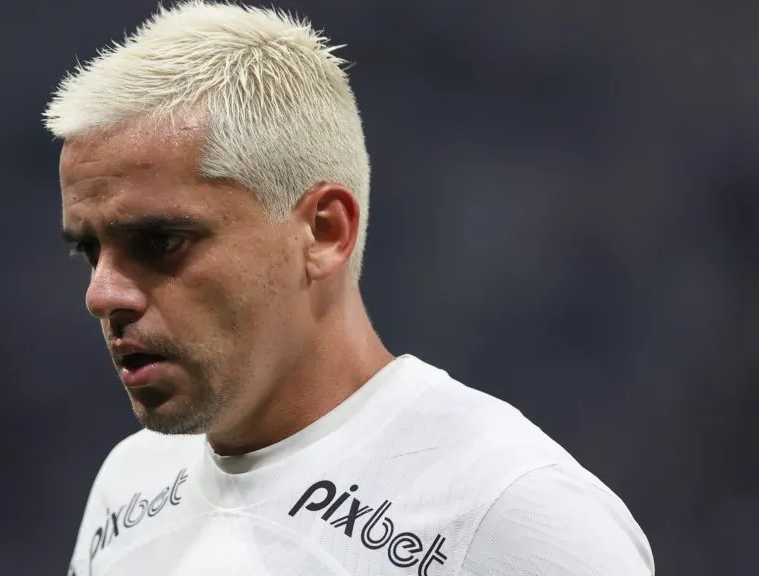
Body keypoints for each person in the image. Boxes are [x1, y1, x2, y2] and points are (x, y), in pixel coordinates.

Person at [43, 1, 655, 574]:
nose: (103, 295)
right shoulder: (128, 483)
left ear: (324, 231)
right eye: (91, 251)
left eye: (162, 241)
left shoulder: (512, 511)